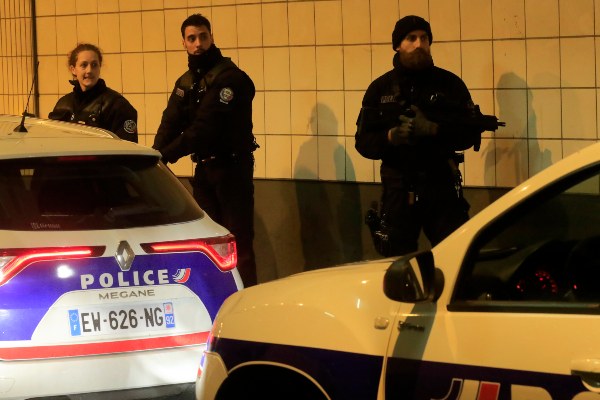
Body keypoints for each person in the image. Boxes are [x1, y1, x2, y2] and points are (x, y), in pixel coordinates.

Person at [356, 15, 484, 256]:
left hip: (441, 186)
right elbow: (363, 142)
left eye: (424, 38)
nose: (419, 44)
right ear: (397, 45)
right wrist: (392, 137)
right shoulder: (380, 88)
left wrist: (434, 129)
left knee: (454, 255)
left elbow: (469, 134)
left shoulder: (450, 85)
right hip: (398, 188)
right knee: (397, 260)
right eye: (411, 38)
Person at [153, 14, 258, 287]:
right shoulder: (187, 82)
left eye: (203, 36)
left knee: (238, 242)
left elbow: (204, 129)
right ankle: (216, 298)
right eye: (191, 38)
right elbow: (170, 122)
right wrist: (153, 158)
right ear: (184, 43)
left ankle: (247, 302)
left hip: (232, 170)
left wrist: (165, 157)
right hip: (205, 171)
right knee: (208, 242)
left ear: (211, 37)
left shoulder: (230, 79)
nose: (198, 43)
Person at [49, 43, 138, 143]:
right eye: (84, 65)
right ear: (73, 69)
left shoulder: (117, 105)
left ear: (99, 68)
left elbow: (127, 151)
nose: (89, 70)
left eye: (94, 65)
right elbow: (52, 143)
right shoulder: (63, 105)